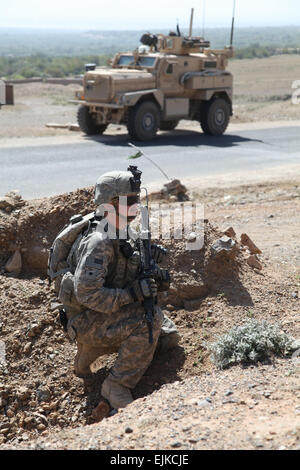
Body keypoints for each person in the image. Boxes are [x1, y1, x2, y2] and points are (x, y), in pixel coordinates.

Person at [60, 168, 180, 410]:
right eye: (130, 202)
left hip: (101, 314)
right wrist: (132, 294)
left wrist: (151, 268)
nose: (136, 207)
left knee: (167, 337)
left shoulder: (123, 231)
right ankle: (116, 385)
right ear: (110, 205)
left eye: (137, 200)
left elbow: (130, 274)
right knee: (149, 322)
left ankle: (91, 352)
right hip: (85, 319)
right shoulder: (100, 241)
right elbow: (87, 293)